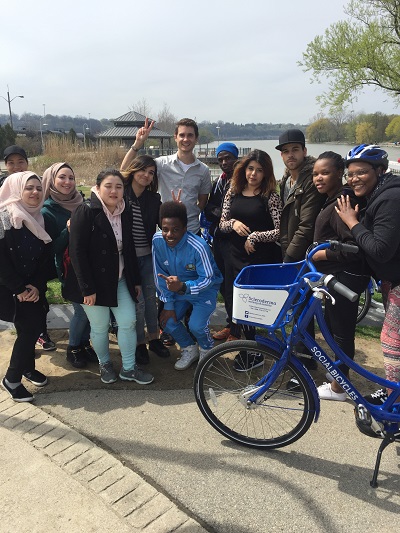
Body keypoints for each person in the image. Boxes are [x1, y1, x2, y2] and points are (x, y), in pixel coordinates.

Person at [121, 117, 212, 346]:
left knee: (192, 282)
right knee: (164, 281)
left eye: (190, 135)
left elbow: (202, 201)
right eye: (181, 135)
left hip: (191, 233)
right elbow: (125, 170)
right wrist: (137, 144)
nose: (185, 139)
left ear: (196, 139)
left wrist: (184, 210)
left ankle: (194, 328)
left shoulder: (203, 170)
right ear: (175, 137)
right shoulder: (161, 164)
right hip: (166, 236)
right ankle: (168, 329)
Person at [64, 169, 153, 385]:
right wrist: (87, 289)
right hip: (93, 284)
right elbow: (77, 253)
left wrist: (136, 281)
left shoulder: (126, 210)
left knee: (129, 322)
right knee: (100, 326)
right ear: (98, 187)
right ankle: (105, 364)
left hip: (121, 279)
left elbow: (128, 249)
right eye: (109, 186)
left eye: (119, 186)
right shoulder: (85, 211)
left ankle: (129, 368)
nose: (114, 191)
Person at [336, 144, 400, 405]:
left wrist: (352, 222)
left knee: (390, 342)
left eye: (361, 172)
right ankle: (392, 393)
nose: (353, 179)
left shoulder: (391, 198)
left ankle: (395, 402)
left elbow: (380, 249)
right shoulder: (378, 195)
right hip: (391, 280)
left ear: (380, 170)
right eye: (350, 174)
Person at [310, 152, 371, 401]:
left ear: (339, 173)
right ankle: (338, 374)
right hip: (336, 276)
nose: (318, 178)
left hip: (346, 276)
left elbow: (353, 249)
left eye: (325, 173)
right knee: (332, 328)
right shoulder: (332, 198)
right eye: (315, 174)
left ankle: (339, 388)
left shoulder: (342, 201)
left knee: (342, 332)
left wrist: (321, 255)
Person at [219, 149, 282, 371]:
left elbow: (279, 231)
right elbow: (222, 223)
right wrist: (234, 223)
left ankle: (257, 351)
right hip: (234, 257)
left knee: (255, 306)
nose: (253, 174)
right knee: (238, 304)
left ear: (266, 173)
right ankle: (248, 347)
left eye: (259, 170)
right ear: (244, 169)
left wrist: (256, 236)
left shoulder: (270, 197)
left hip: (260, 260)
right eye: (250, 169)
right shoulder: (232, 192)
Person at [276, 129, 326, 369]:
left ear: (305, 151)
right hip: (291, 249)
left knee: (304, 309)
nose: (290, 155)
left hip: (303, 254)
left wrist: (289, 258)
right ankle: (303, 356)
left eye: (295, 149)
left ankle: (305, 364)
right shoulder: (288, 179)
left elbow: (306, 226)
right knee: (298, 309)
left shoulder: (310, 180)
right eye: (285, 151)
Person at [0, 171, 52, 402]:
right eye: (29, 187)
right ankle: (12, 379)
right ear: (17, 189)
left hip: (33, 289)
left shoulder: (41, 218)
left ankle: (28, 368)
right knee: (29, 328)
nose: (35, 192)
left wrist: (37, 287)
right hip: (10, 289)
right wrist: (19, 289)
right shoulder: (4, 218)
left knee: (34, 325)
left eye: (39, 188)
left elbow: (46, 259)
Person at [153, 201, 223, 370]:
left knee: (196, 326)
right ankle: (190, 348)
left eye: (175, 229)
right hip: (177, 290)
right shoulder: (157, 241)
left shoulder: (199, 246)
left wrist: (184, 287)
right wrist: (168, 304)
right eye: (165, 229)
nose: (169, 234)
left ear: (185, 228)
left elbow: (208, 278)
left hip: (203, 290)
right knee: (167, 322)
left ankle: (207, 349)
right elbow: (159, 276)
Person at [1, 144, 56, 352]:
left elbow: (46, 251)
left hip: (33, 273)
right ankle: (26, 348)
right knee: (24, 320)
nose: (16, 166)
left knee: (37, 310)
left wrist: (36, 283)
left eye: (21, 162)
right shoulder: (4, 210)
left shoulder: (39, 207)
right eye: (11, 163)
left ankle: (38, 334)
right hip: (13, 278)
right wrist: (19, 288)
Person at [41, 162, 97, 369]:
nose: (67, 182)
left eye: (71, 178)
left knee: (89, 309)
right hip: (68, 269)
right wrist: (68, 230)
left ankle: (83, 344)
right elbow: (51, 248)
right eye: (62, 177)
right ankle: (72, 347)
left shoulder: (81, 203)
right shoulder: (48, 211)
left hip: (87, 264)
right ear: (52, 180)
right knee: (82, 311)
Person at [120, 155, 170, 364]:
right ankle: (140, 343)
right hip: (128, 258)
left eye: (151, 173)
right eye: (143, 170)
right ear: (133, 170)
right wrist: (137, 144)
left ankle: (154, 338)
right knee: (137, 302)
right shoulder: (121, 194)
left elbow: (161, 224)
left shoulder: (153, 199)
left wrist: (173, 209)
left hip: (148, 256)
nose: (147, 175)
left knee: (151, 298)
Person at [204, 142, 239, 341]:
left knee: (236, 285)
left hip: (237, 242)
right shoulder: (219, 181)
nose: (225, 162)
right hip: (219, 239)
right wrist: (220, 215)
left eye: (228, 158)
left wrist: (223, 216)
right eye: (221, 159)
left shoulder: (243, 180)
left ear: (236, 158)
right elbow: (209, 207)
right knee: (224, 285)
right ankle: (231, 323)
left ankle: (238, 328)